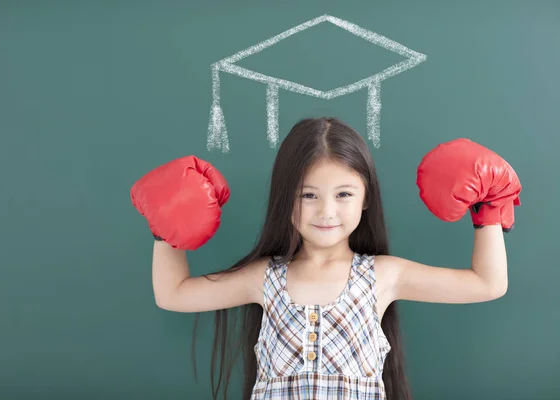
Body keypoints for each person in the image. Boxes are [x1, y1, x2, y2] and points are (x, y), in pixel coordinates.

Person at [130, 117, 522, 400]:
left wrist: (490, 209)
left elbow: (487, 284)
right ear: (286, 199)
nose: (326, 212)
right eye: (308, 195)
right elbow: (174, 295)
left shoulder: (383, 276)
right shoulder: (264, 278)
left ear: (366, 198)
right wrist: (167, 228)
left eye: (344, 194)